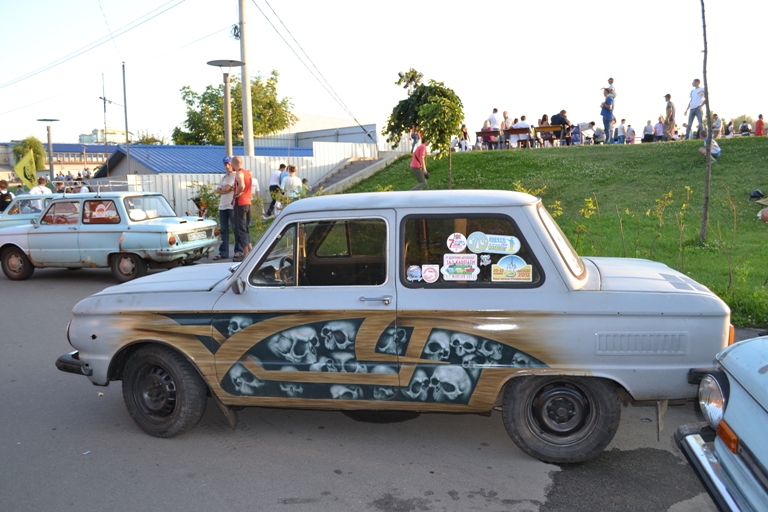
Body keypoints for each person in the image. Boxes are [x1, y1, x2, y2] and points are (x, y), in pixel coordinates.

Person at [212, 156, 241, 261]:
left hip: (231, 205)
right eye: (225, 164)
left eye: (229, 164)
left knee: (235, 228)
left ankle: (239, 251)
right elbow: (218, 190)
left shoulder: (235, 176)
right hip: (223, 206)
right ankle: (223, 252)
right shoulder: (224, 177)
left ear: (232, 164)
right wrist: (224, 190)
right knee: (224, 230)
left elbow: (226, 188)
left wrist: (224, 190)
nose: (227, 166)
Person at [231, 156, 253, 262]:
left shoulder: (239, 173)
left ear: (234, 164)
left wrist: (237, 193)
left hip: (240, 203)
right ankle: (251, 250)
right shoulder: (248, 172)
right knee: (246, 227)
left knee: (241, 228)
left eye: (231, 164)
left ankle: (245, 254)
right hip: (248, 202)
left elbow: (242, 185)